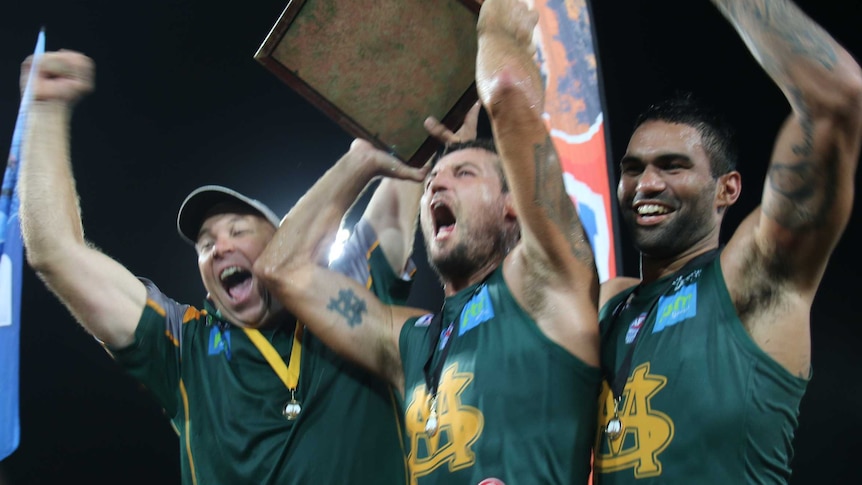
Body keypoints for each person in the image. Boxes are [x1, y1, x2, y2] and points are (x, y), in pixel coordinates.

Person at [16, 48, 467, 484]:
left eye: (238, 230)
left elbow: (416, 144)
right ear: (208, 288)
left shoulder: (352, 288)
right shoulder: (182, 348)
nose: (218, 248)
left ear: (288, 243)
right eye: (206, 244)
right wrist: (43, 108)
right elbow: (55, 253)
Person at [253, 0, 601, 483]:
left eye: (463, 173)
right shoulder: (410, 340)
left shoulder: (548, 284)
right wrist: (360, 160)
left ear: (512, 206)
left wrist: (497, 23)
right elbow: (278, 269)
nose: (437, 184)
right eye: (432, 178)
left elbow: (506, 94)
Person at [593, 0, 862, 483]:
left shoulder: (749, 277)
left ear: (727, 189)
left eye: (672, 166)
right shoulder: (610, 303)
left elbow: (837, 100)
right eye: (632, 169)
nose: (645, 184)